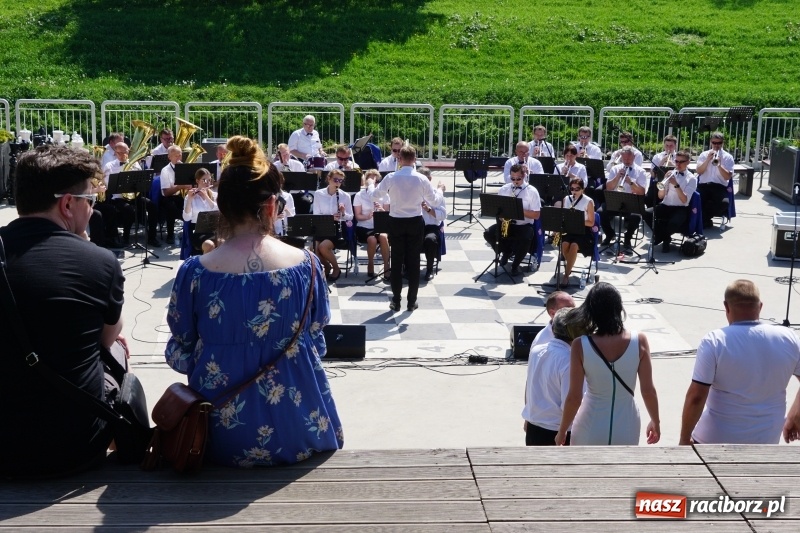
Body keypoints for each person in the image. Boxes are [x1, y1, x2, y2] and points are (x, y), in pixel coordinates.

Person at [165, 135, 343, 467]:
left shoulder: (195, 273)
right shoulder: (308, 265)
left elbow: (181, 351)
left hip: (217, 439)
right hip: (300, 431)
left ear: (221, 205)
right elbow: (317, 338)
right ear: (272, 206)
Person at [0, 145, 126, 478]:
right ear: (68, 204)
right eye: (90, 200)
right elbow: (106, 338)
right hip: (73, 451)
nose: (92, 209)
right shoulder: (100, 261)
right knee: (117, 346)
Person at [680, 280, 800, 445]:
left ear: (726, 307)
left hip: (713, 442)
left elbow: (696, 396)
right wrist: (795, 413)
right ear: (760, 306)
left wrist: (684, 439)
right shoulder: (789, 338)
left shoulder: (715, 341)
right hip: (766, 442)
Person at [556, 282, 660, 446]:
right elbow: (648, 391)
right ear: (619, 308)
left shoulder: (580, 345)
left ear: (591, 312)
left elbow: (574, 397)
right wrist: (656, 421)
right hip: (627, 425)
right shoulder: (640, 341)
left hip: (589, 425)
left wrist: (562, 430)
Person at [369, 145, 445, 312]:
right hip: (414, 222)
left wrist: (370, 184)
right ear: (415, 159)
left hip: (396, 221)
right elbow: (435, 200)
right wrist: (440, 190)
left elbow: (374, 196)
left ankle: (396, 301)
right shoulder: (421, 178)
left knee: (397, 261)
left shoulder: (391, 177)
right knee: (414, 261)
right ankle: (411, 301)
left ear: (400, 159)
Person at [523, 308, 583, 446]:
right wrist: (562, 431)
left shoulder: (536, 351)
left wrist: (528, 416)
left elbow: (529, 387)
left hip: (534, 427)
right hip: (558, 432)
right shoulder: (569, 360)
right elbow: (571, 401)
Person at [483, 164, 541, 276]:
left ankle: (515, 265)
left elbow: (536, 215)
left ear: (524, 176)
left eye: (518, 179)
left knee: (526, 237)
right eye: (512, 178)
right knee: (488, 233)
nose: (515, 181)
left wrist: (518, 210)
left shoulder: (532, 191)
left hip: (524, 225)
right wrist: (501, 215)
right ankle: (506, 251)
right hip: (507, 224)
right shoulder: (504, 189)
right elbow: (498, 209)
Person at [102, 142, 160, 247]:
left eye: (125, 152)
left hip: (134, 196)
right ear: (115, 153)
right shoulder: (109, 166)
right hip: (118, 198)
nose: (123, 155)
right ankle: (126, 238)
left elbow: (141, 180)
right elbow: (108, 184)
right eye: (120, 153)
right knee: (129, 210)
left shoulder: (135, 164)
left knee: (152, 206)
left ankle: (152, 237)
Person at [649, 150, 698, 253]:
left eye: (681, 162)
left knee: (673, 223)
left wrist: (675, 184)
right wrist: (663, 184)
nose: (678, 164)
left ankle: (662, 238)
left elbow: (684, 200)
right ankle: (664, 237)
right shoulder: (670, 174)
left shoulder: (692, 178)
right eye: (676, 161)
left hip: (680, 208)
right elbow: (661, 196)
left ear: (688, 162)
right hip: (666, 205)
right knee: (646, 213)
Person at [600, 145, 647, 249]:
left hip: (631, 202)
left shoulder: (641, 171)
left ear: (634, 157)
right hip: (615, 200)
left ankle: (628, 237)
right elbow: (608, 188)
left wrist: (631, 182)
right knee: (600, 212)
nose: (626, 161)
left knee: (636, 216)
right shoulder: (615, 168)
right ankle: (609, 234)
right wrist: (617, 177)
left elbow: (642, 192)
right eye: (624, 158)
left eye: (629, 158)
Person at [312, 168, 354, 282]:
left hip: (338, 228)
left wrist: (343, 213)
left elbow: (350, 216)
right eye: (335, 180)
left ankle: (336, 268)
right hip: (322, 225)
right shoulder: (319, 194)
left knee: (323, 247)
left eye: (340, 181)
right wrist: (331, 217)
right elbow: (316, 213)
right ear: (329, 179)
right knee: (314, 249)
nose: (338, 183)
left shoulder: (345, 196)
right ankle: (327, 266)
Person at [557, 177, 595, 286]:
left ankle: (566, 275)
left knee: (574, 246)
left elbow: (591, 222)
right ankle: (569, 266)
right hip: (570, 230)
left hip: (583, 231)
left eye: (577, 189)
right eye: (572, 189)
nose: (574, 191)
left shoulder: (588, 201)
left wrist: (577, 220)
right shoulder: (566, 199)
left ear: (582, 189)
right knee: (564, 244)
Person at [353, 169, 390, 279]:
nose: (374, 183)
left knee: (383, 237)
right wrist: (367, 216)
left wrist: (382, 210)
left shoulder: (385, 195)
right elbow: (358, 216)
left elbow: (388, 214)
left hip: (380, 226)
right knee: (372, 240)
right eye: (371, 180)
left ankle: (387, 266)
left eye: (376, 181)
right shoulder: (359, 195)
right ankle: (370, 263)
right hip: (364, 226)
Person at [696, 131, 734, 228]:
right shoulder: (704, 155)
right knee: (695, 199)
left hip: (719, 187)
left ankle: (704, 219)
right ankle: (704, 221)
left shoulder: (728, 157)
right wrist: (707, 160)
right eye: (714, 143)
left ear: (722, 143)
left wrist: (719, 165)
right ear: (710, 142)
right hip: (704, 186)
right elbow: (699, 171)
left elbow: (727, 177)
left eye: (719, 143)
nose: (716, 145)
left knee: (724, 203)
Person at [181, 167, 217, 259]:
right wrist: (189, 200)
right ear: (197, 181)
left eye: (209, 180)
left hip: (214, 230)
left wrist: (206, 197)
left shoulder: (214, 195)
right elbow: (186, 218)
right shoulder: (190, 196)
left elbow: (217, 210)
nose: (207, 183)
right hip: (198, 231)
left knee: (225, 242)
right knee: (209, 245)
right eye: (204, 180)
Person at [159, 144, 191, 244]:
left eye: (180, 155)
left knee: (192, 205)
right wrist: (179, 187)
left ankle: (189, 232)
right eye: (176, 156)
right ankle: (170, 234)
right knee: (171, 208)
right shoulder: (165, 170)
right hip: (168, 197)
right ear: (169, 157)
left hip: (181, 196)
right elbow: (166, 193)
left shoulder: (185, 168)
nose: (179, 158)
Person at [419, 166, 447, 281]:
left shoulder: (437, 194)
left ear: (430, 179)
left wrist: (429, 210)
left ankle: (429, 269)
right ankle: (407, 268)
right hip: (416, 225)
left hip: (431, 227)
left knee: (430, 239)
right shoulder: (414, 192)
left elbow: (443, 215)